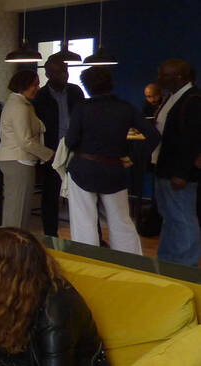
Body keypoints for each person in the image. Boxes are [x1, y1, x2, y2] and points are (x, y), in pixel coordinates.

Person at [0, 228, 106, 366]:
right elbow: (11, 325)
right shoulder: (22, 286)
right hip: (26, 351)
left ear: (3, 272)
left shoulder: (56, 312)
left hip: (45, 359)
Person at [65, 67, 159, 254]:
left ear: (87, 87)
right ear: (111, 84)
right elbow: (153, 135)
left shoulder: (82, 108)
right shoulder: (126, 108)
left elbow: (70, 141)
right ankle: (131, 263)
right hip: (114, 169)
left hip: (84, 167)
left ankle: (88, 262)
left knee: (84, 222)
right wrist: (132, 157)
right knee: (121, 220)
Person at [153, 59, 201, 266]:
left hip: (180, 173)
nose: (159, 78)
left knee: (183, 219)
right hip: (165, 169)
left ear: (179, 77)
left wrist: (181, 173)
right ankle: (168, 261)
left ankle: (186, 264)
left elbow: (193, 139)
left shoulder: (193, 100)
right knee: (170, 217)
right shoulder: (172, 97)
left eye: (164, 75)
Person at [33, 55, 85, 237]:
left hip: (76, 149)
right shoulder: (41, 96)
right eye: (59, 72)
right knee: (50, 195)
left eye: (65, 70)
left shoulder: (75, 92)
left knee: (82, 195)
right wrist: (45, 153)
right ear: (48, 74)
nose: (64, 75)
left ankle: (87, 236)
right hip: (53, 150)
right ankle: (50, 235)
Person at [0, 70, 54, 230]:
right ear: (24, 86)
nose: (38, 87)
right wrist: (49, 154)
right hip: (18, 159)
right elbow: (25, 140)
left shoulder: (20, 104)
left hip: (17, 159)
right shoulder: (19, 106)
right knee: (17, 210)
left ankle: (13, 245)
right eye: (34, 84)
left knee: (17, 208)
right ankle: (12, 247)